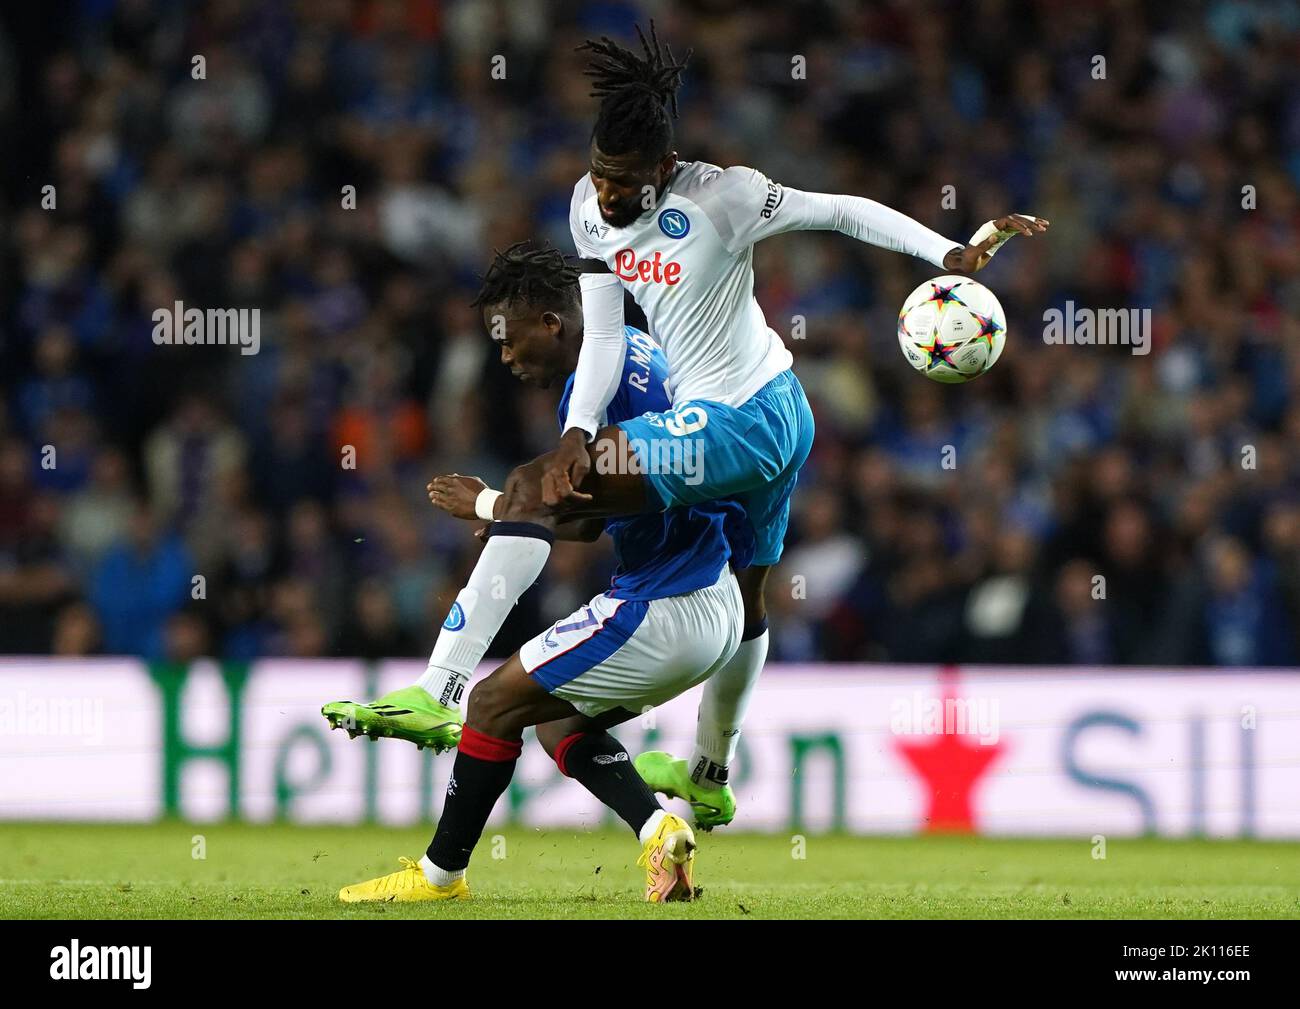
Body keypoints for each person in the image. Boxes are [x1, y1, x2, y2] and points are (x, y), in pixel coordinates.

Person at [334, 243, 754, 902]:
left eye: (509, 341)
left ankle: (441, 875)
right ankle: (658, 828)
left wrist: (491, 504)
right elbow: (594, 509)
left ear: (554, 324)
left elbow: (576, 515)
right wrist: (518, 514)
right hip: (718, 601)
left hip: (663, 605)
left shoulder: (593, 389)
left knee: (490, 704)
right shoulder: (638, 348)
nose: (505, 358)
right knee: (558, 722)